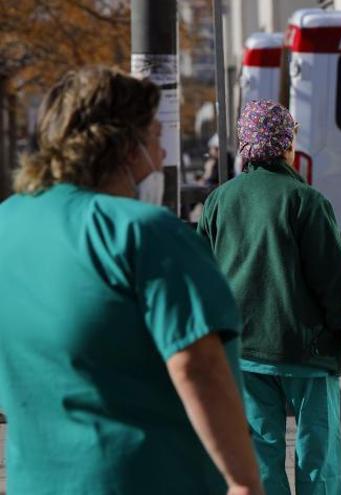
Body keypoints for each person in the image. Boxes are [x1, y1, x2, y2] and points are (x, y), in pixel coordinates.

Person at [0, 67, 262, 494]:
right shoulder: (143, 233)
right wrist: (244, 482)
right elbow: (198, 365)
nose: (160, 156)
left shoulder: (6, 224)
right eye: (156, 138)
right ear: (123, 145)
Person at [197, 99, 341, 495]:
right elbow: (333, 284)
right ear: (286, 146)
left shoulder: (219, 202)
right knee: (318, 454)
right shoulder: (307, 202)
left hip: (245, 351)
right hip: (308, 353)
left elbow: (203, 278)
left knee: (260, 453)